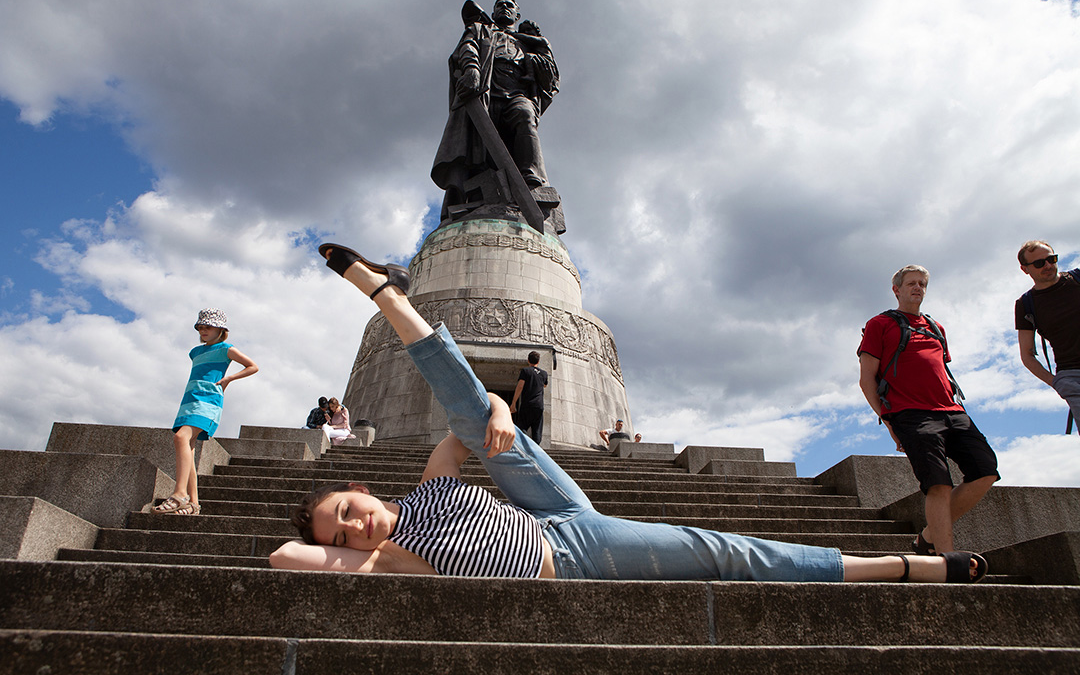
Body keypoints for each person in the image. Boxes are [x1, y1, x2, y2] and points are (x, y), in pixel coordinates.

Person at [266, 243, 987, 585]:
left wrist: (492, 407)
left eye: (348, 507)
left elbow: (465, 420)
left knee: (468, 407)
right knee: (724, 553)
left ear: (363, 488)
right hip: (572, 551)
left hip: (545, 501)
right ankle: (900, 566)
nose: (355, 523)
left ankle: (390, 294)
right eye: (344, 530)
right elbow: (282, 556)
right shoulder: (381, 564)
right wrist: (350, 552)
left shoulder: (424, 490)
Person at [858, 265, 999, 556]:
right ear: (897, 289)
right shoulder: (879, 324)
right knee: (938, 483)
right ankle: (946, 560)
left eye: (922, 283)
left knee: (985, 470)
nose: (918, 288)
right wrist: (887, 420)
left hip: (952, 410)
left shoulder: (936, 327)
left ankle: (927, 537)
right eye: (911, 283)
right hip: (910, 413)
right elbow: (866, 378)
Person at [431, 0, 559, 223]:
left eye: (510, 6)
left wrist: (539, 45)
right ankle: (479, 195)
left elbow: (550, 79)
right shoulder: (481, 30)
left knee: (525, 114)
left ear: (517, 15)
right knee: (480, 145)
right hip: (485, 91)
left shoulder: (526, 42)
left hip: (516, 91)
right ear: (494, 11)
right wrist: (472, 68)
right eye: (500, 5)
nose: (504, 8)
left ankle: (530, 179)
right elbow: (466, 47)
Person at [154, 308, 258, 516]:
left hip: (208, 401)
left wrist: (228, 379)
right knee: (188, 448)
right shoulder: (195, 352)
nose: (203, 330)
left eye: (208, 327)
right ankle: (193, 503)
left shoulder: (226, 348)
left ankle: (179, 494)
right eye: (201, 327)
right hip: (189, 400)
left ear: (220, 329)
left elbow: (252, 366)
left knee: (180, 438)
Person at [1014, 240, 1080, 424]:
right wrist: (1057, 382)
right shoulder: (1025, 304)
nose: (1048, 265)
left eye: (1051, 259)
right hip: (1073, 377)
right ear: (1025, 269)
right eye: (1039, 263)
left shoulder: (1078, 278)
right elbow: (1027, 355)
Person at [509, 350, 547, 445]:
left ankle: (524, 447)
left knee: (522, 428)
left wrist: (514, 403)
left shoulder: (526, 371)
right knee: (537, 431)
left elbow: (520, 386)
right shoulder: (544, 374)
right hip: (539, 406)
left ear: (528, 361)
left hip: (527, 404)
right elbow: (544, 385)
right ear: (538, 361)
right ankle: (535, 450)